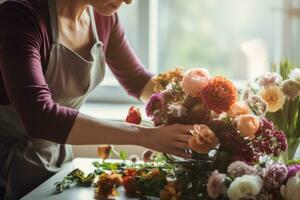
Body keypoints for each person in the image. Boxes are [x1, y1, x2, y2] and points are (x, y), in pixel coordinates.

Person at [0, 0, 193, 199]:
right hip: (8, 170)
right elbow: (39, 117)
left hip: (58, 169)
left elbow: (138, 80)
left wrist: (196, 103)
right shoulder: (19, 16)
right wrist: (144, 135)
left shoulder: (102, 18)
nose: (129, 1)